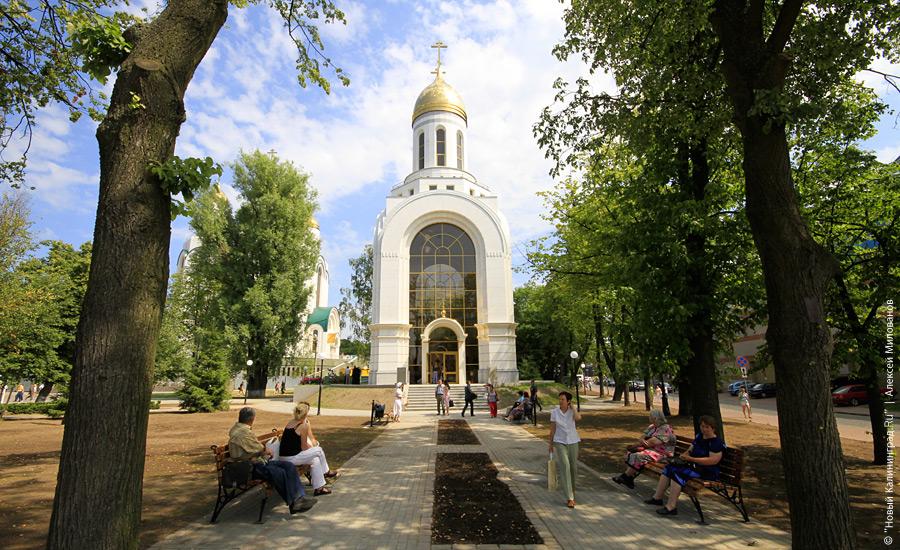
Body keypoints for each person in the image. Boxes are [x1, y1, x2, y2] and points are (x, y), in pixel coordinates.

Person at [228, 407, 316, 514]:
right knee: (279, 472)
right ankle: (294, 503)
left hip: (258, 462)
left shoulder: (241, 428)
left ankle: (299, 498)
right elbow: (258, 448)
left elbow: (255, 448)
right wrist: (266, 451)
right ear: (252, 419)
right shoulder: (242, 432)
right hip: (249, 467)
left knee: (288, 466)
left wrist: (264, 451)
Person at [646, 414, 725, 516]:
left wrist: (691, 459)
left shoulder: (716, 442)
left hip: (706, 471)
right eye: (702, 426)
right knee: (669, 468)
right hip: (693, 466)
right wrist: (685, 455)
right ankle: (657, 498)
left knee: (677, 473)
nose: (704, 429)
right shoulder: (699, 437)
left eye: (707, 427)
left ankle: (671, 507)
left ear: (713, 428)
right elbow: (690, 449)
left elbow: (713, 461)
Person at [278, 402, 339, 496]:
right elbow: (304, 447)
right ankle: (326, 472)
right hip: (291, 458)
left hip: (285, 456)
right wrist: (312, 449)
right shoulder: (303, 425)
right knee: (318, 450)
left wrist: (311, 451)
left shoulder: (291, 422)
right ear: (306, 414)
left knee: (315, 460)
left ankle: (319, 489)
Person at [612, 409, 676, 489]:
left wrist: (642, 441)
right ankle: (629, 478)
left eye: (650, 416)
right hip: (652, 451)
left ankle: (625, 477)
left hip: (663, 454)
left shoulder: (665, 429)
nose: (649, 417)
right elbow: (642, 437)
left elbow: (652, 442)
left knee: (639, 455)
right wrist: (642, 440)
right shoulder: (652, 427)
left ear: (655, 418)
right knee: (631, 453)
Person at [549, 391, 582, 508]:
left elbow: (578, 418)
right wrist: (550, 444)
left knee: (573, 468)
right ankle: (570, 497)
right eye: (559, 399)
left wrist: (573, 408)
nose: (560, 401)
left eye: (563, 399)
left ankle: (572, 491)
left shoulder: (572, 411)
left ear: (568, 401)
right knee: (565, 466)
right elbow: (552, 429)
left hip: (573, 441)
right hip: (560, 442)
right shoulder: (554, 412)